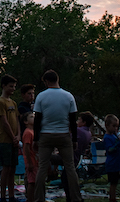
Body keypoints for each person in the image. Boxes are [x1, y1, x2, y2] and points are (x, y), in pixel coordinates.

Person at [33, 69, 81, 202]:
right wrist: (74, 139)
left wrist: (36, 138)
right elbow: (73, 120)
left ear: (46, 81)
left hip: (46, 134)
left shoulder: (41, 96)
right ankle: (76, 197)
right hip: (64, 134)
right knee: (70, 167)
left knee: (42, 167)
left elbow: (37, 119)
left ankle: (39, 198)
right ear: (57, 79)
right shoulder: (69, 96)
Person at [0, 74, 20, 202]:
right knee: (6, 168)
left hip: (14, 140)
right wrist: (12, 136)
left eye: (14, 87)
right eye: (11, 86)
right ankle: (3, 196)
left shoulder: (13, 103)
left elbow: (16, 119)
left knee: (13, 168)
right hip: (5, 140)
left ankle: (11, 195)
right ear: (4, 86)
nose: (13, 89)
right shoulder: (1, 102)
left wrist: (18, 136)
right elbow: (4, 122)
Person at [103, 114, 120, 202]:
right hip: (112, 164)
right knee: (113, 183)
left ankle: (113, 196)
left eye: (116, 126)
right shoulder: (107, 137)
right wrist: (119, 143)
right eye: (113, 126)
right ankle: (112, 198)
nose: (115, 128)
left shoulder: (114, 135)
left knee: (116, 182)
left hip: (117, 163)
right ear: (107, 126)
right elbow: (110, 149)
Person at [22, 112, 38, 202]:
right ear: (26, 121)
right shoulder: (28, 132)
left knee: (35, 181)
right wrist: (29, 162)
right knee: (32, 182)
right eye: (31, 117)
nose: (34, 118)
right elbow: (26, 148)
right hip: (31, 160)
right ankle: (30, 199)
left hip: (35, 160)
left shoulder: (33, 132)